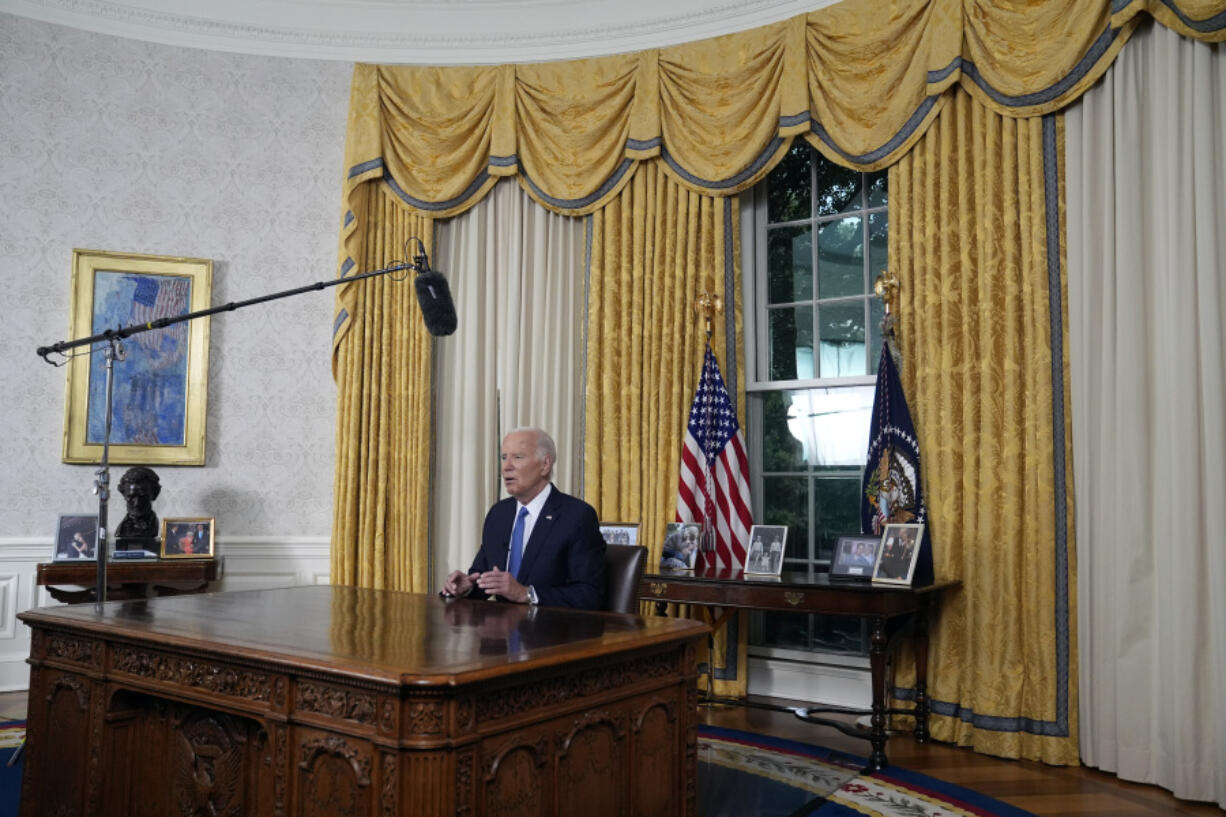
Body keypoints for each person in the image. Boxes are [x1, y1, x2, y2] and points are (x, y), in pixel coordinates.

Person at [443, 428, 606, 609]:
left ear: (545, 464)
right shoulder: (499, 514)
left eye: (517, 457)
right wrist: (465, 587)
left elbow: (590, 595)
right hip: (501, 632)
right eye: (504, 457)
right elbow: (483, 577)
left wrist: (526, 594)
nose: (506, 466)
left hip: (551, 632)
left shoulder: (577, 516)